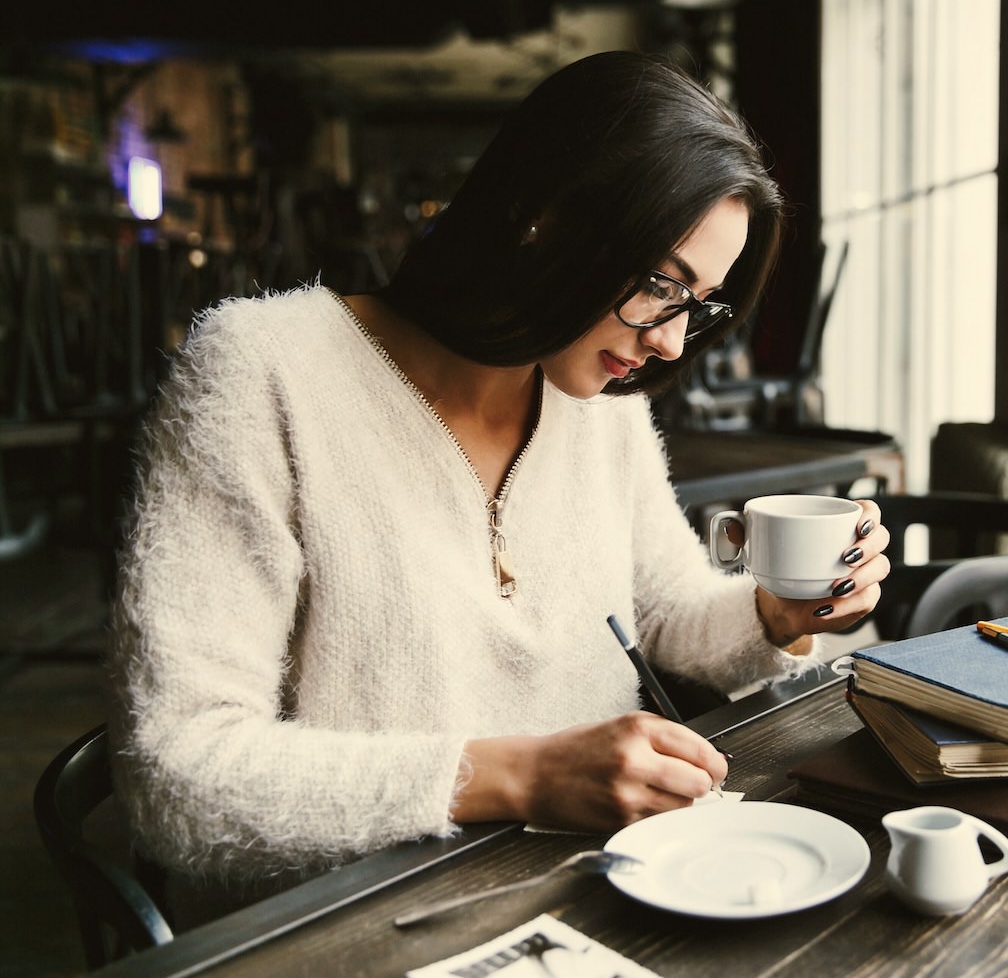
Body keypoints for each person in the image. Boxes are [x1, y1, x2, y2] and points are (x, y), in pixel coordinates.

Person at [107, 51, 890, 913]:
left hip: (609, 891)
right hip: (362, 920)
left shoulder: (600, 403)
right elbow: (176, 773)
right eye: (660, 284)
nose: (671, 342)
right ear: (538, 219)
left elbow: (665, 611)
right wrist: (516, 775)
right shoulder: (263, 372)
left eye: (697, 304)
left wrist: (776, 615)